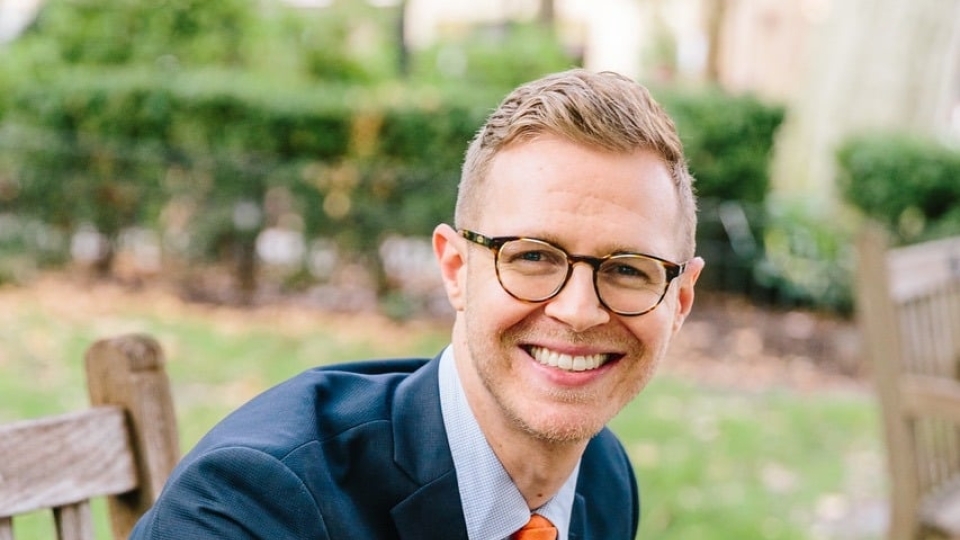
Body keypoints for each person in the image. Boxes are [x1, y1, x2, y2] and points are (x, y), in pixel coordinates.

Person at [130, 68, 704, 540]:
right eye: (532, 257)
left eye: (629, 269)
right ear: (456, 269)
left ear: (679, 301)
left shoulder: (603, 476)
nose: (579, 311)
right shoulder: (259, 502)